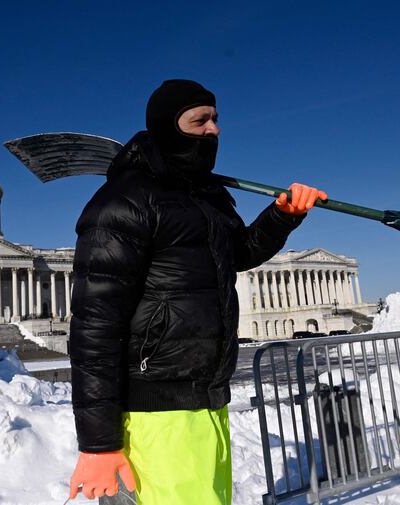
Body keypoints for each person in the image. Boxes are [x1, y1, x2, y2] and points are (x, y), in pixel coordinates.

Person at [67, 79, 327, 504]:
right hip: (157, 415)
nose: (214, 129)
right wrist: (98, 445)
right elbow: (95, 329)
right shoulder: (123, 203)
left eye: (215, 119)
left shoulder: (205, 196)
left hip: (206, 401)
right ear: (170, 127)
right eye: (200, 120)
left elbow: (235, 253)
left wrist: (282, 217)